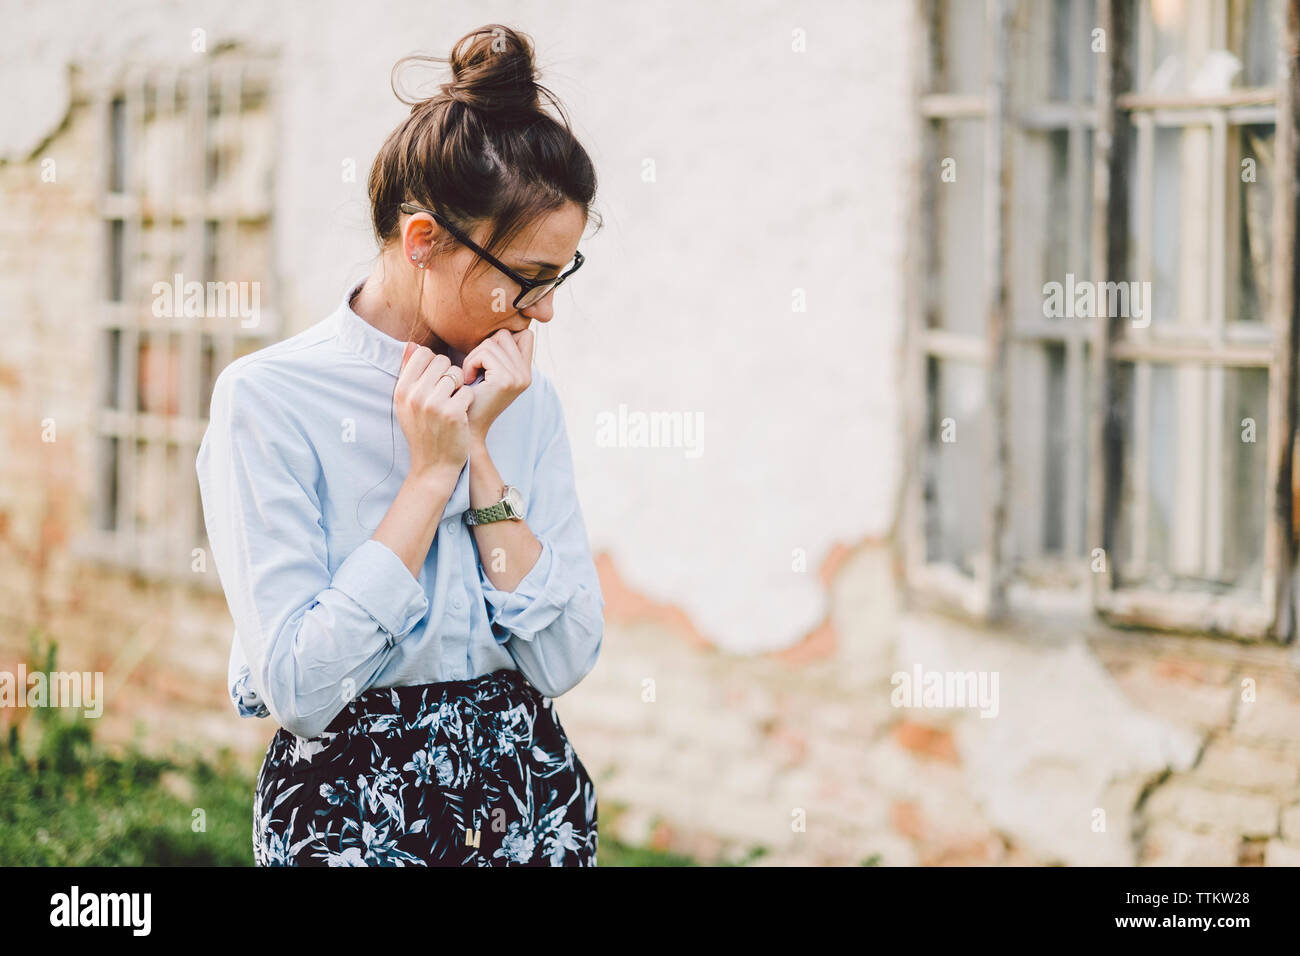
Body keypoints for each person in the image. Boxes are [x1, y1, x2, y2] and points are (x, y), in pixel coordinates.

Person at [195, 23, 604, 866]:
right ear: (424, 242)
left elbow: (563, 656)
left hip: (529, 796)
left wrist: (482, 455)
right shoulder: (270, 399)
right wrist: (430, 476)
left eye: (560, 277)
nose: (546, 310)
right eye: (528, 278)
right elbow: (303, 690)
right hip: (350, 807)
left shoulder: (524, 398)